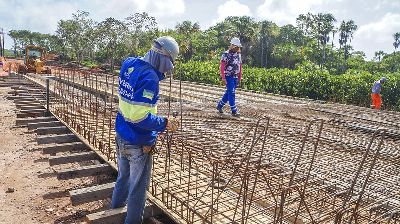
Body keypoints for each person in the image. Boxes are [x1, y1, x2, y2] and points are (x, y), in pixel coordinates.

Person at [111, 36, 180, 224]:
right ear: (163, 57)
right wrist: (164, 123)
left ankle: (113, 212)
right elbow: (139, 116)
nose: (167, 69)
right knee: (137, 189)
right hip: (138, 142)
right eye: (169, 63)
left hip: (121, 134)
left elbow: (131, 107)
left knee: (123, 177)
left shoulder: (129, 63)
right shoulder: (149, 77)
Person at [216, 37, 242, 117]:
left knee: (228, 93)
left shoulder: (238, 55)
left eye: (238, 47)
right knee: (232, 93)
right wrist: (223, 77)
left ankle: (219, 106)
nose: (237, 48)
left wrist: (239, 77)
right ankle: (234, 110)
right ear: (232, 46)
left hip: (235, 77)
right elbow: (222, 66)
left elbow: (240, 66)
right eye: (236, 46)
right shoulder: (226, 54)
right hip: (228, 76)